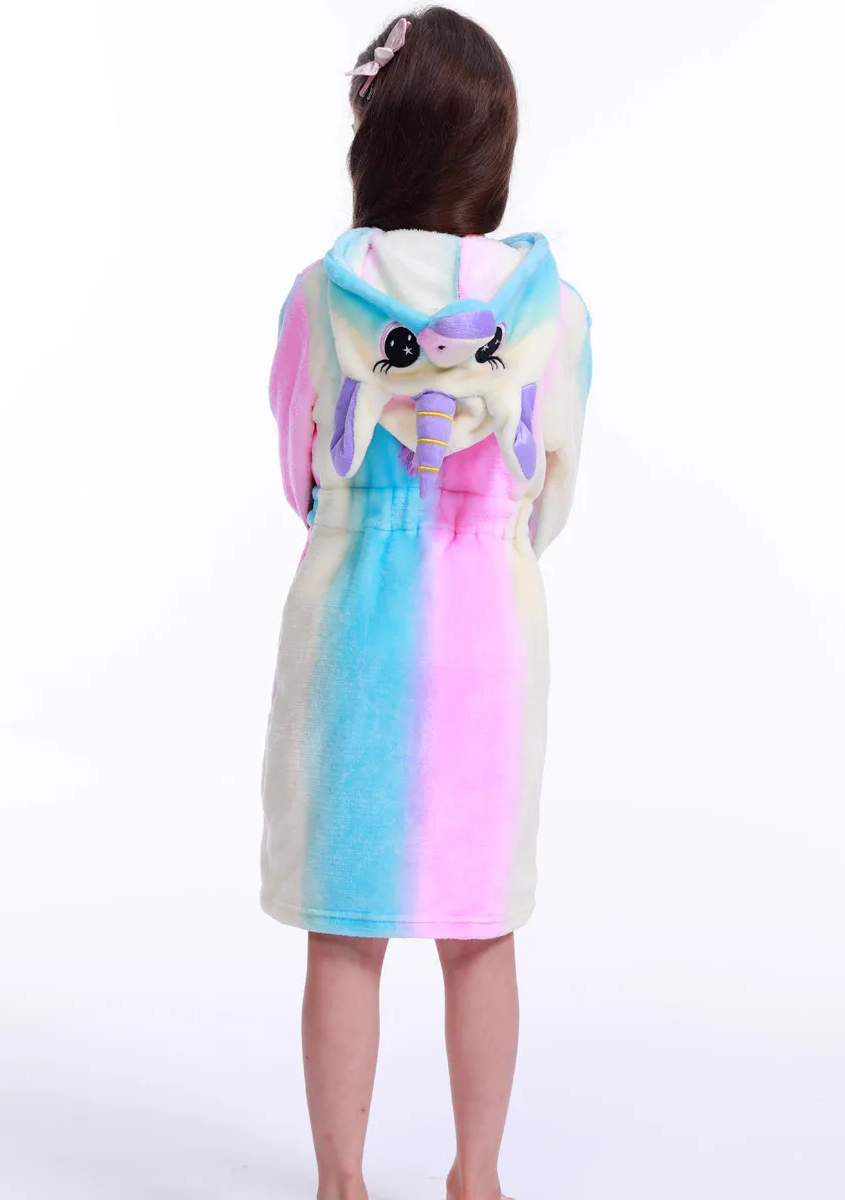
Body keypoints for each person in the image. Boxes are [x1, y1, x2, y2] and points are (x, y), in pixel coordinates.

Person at [260, 9, 592, 1198]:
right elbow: (554, 485)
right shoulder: (555, 311)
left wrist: (363, 514)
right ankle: (478, 1177)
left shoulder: (320, 297)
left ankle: (340, 1182)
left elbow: (299, 466)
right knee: (480, 924)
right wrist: (490, 529)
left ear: (377, 141)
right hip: (490, 626)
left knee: (346, 929)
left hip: (357, 619)